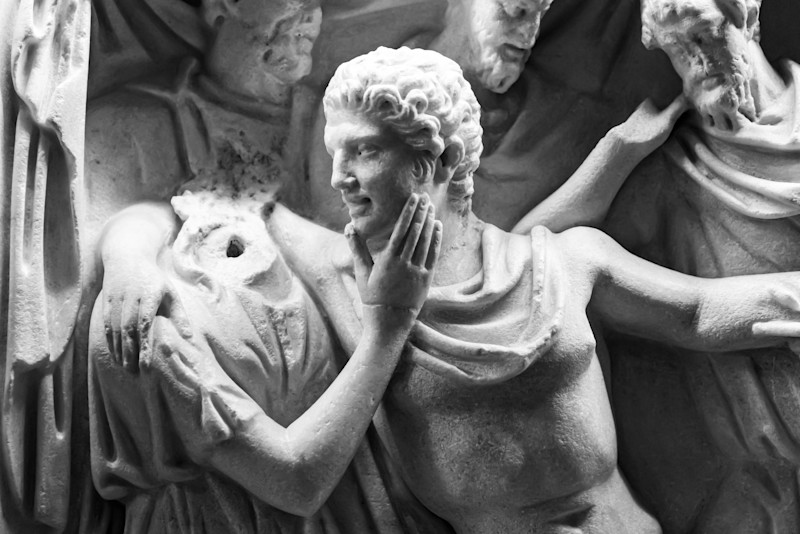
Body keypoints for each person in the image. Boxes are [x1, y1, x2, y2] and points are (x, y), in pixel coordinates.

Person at [265, 46, 800, 533]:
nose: (338, 177)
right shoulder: (350, 289)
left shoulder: (561, 261)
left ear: (444, 159)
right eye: (336, 153)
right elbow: (258, 204)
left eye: (363, 151)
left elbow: (698, 311)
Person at [88, 169, 443, 532]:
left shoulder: (269, 247)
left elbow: (321, 246)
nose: (340, 178)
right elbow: (297, 482)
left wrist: (127, 251)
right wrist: (387, 328)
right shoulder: (157, 334)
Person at [307, 0, 688, 231]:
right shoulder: (364, 97)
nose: (527, 35)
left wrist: (617, 154)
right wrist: (613, 160)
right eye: (514, 11)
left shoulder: (557, 120)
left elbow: (508, 254)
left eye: (539, 15)